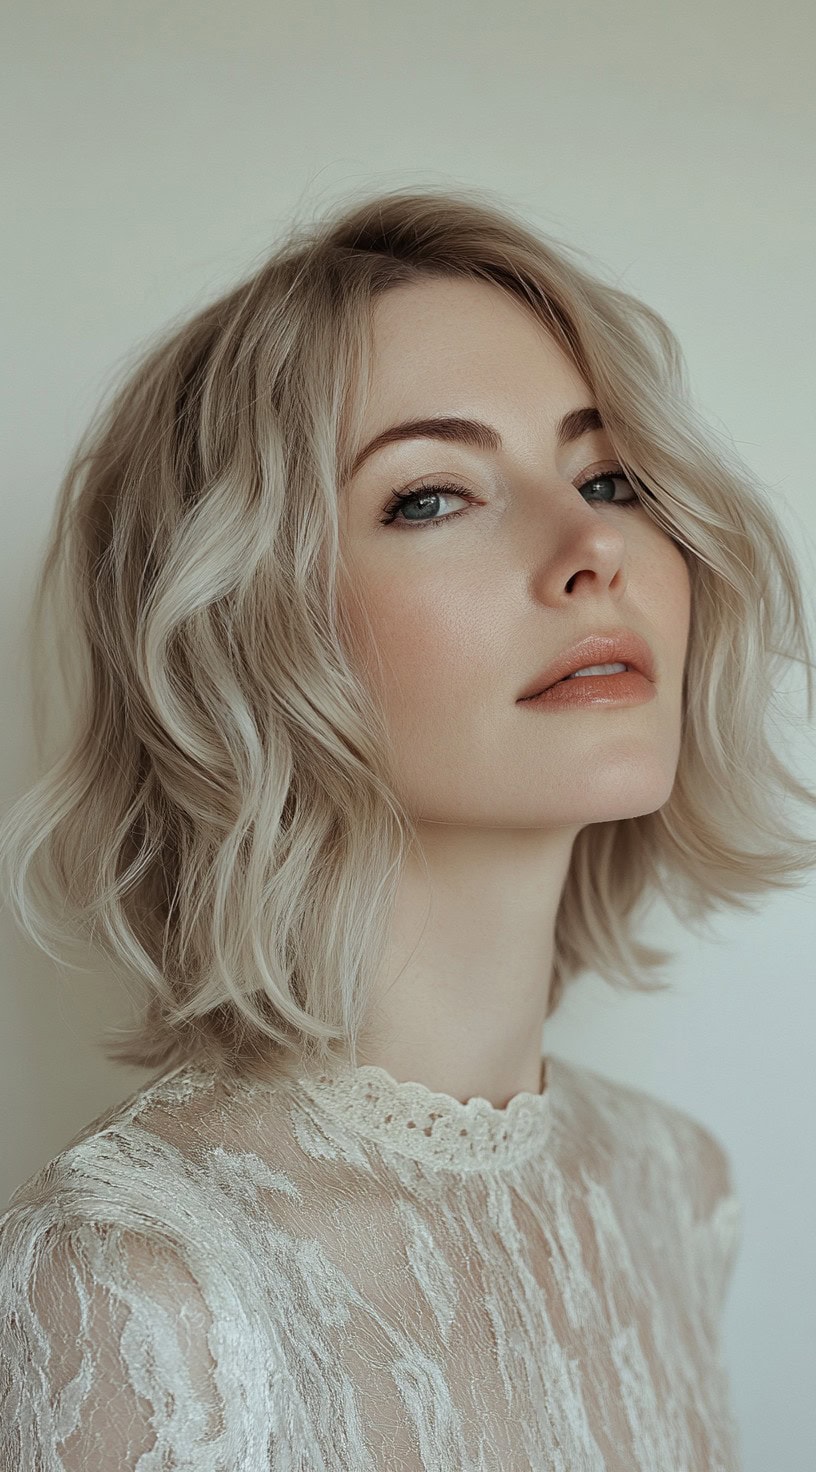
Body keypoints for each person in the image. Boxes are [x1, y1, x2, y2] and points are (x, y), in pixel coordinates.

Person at [0, 186, 813, 1470]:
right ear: (247, 634)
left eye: (609, 474)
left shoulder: (675, 1191)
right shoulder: (138, 1286)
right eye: (431, 496)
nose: (593, 544)